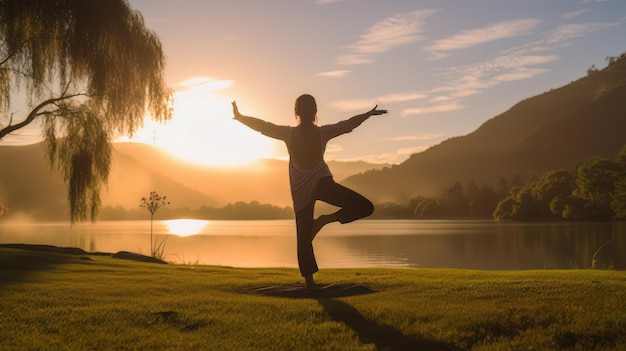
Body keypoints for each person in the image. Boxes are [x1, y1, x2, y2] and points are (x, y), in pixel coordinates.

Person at [232, 94, 387, 288]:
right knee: (364, 207)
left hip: (308, 187)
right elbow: (347, 125)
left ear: (296, 112)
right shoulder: (321, 132)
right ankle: (324, 223)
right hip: (318, 185)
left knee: (303, 237)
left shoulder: (288, 133)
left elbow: (263, 126)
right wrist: (367, 114)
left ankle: (310, 281)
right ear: (315, 112)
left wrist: (240, 117)